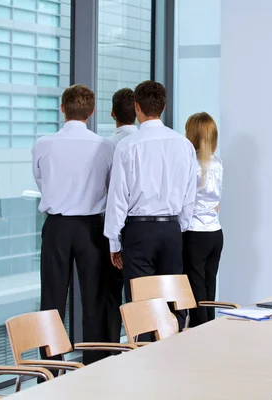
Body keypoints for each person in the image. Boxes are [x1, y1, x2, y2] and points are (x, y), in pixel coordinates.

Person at [104, 80, 198, 331]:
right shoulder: (183, 144)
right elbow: (190, 195)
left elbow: (117, 198)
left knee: (141, 305)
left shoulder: (127, 145)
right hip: (171, 230)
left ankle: (144, 361)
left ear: (136, 107)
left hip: (138, 231)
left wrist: (114, 241)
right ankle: (173, 357)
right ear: (164, 106)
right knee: (172, 301)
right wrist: (180, 228)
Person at [32, 84, 114, 365]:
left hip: (56, 227)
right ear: (91, 112)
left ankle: (51, 369)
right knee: (94, 298)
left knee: (52, 300)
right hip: (91, 227)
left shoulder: (43, 143)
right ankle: (95, 365)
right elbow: (109, 186)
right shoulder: (105, 146)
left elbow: (40, 180)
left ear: (62, 108)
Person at [182, 112, 224, 327]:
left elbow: (185, 203)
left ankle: (199, 338)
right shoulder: (217, 163)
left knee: (195, 290)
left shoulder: (190, 164)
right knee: (209, 289)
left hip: (194, 233)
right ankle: (210, 334)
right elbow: (217, 202)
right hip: (215, 233)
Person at [105, 88, 138, 344]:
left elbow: (113, 195)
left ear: (113, 113)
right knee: (141, 298)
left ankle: (111, 350)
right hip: (144, 229)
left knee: (109, 296)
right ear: (136, 111)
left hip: (112, 228)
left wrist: (114, 242)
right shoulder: (153, 142)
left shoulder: (107, 145)